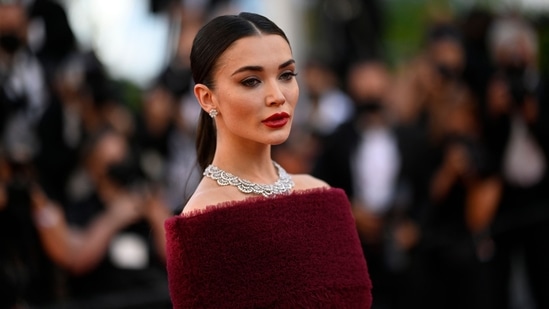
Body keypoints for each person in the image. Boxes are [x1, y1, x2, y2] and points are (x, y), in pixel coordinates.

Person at [164, 12, 372, 308]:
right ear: (207, 98)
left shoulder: (321, 194)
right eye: (251, 81)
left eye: (286, 75)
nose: (277, 96)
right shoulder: (203, 219)